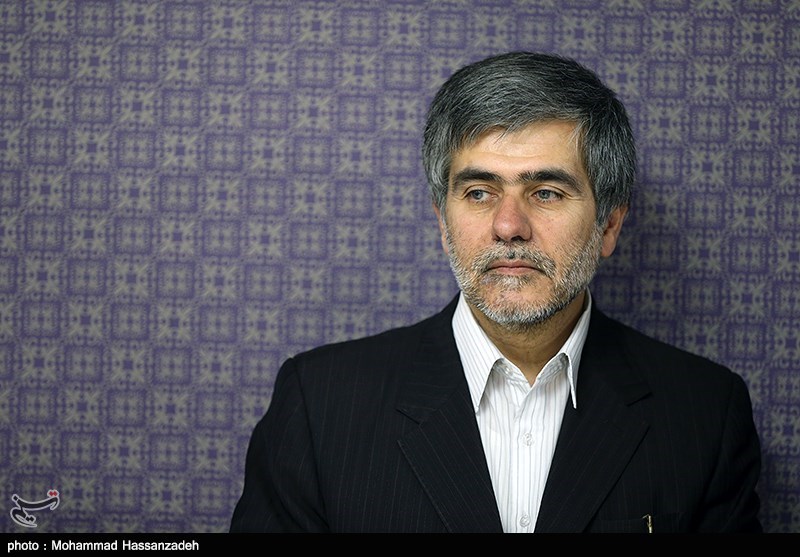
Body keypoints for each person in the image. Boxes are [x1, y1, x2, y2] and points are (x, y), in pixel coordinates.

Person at [230, 51, 762, 533]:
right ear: (444, 223)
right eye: (480, 192)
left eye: (546, 192)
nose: (509, 226)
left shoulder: (706, 414)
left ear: (609, 225)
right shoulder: (319, 404)